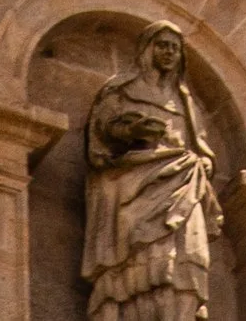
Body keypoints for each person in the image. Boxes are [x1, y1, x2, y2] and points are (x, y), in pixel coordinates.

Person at [83, 26, 219, 321]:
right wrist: (132, 130)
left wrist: (205, 163)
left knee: (190, 254)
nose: (169, 52)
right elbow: (103, 131)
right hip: (133, 177)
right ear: (147, 49)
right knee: (136, 253)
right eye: (163, 45)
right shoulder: (122, 90)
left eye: (175, 47)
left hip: (182, 179)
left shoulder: (186, 102)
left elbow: (201, 146)